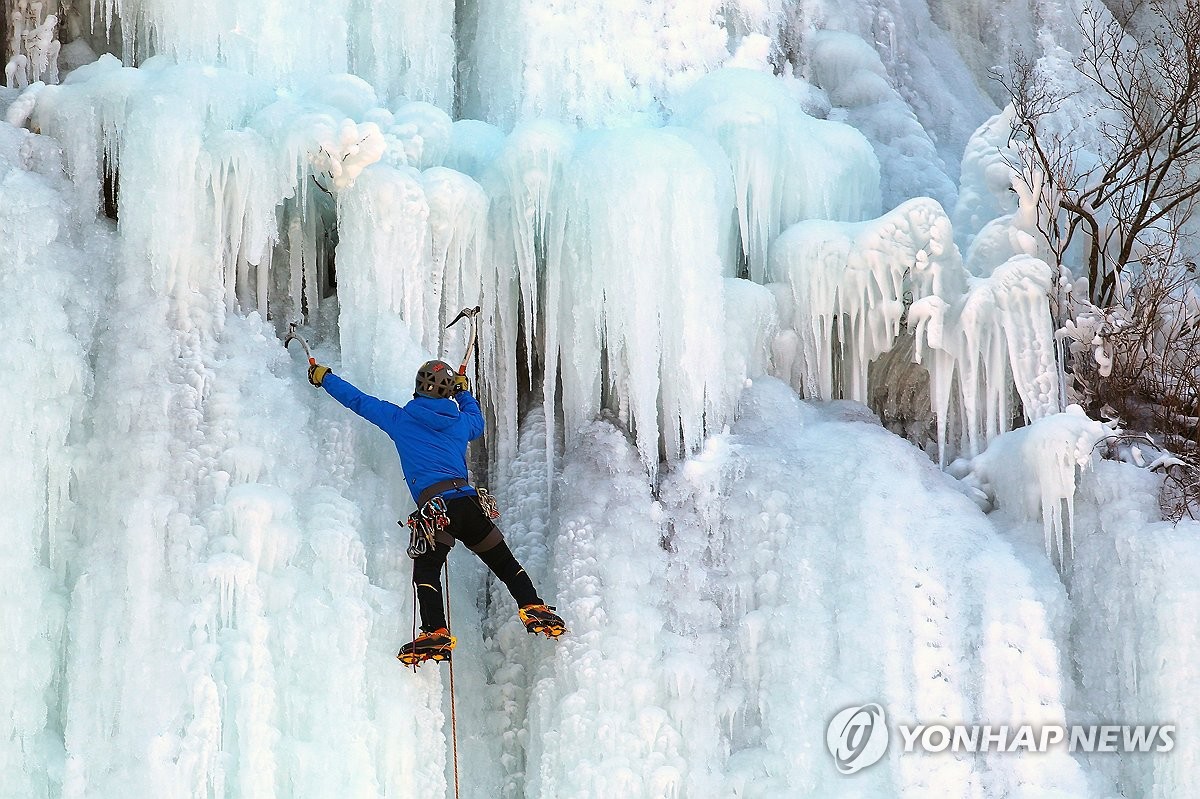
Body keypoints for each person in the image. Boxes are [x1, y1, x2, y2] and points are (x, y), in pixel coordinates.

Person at [307, 358, 564, 665]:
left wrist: (325, 377)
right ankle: (533, 607)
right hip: (468, 505)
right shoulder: (459, 423)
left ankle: (435, 631)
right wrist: (463, 392)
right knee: (504, 562)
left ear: (418, 387)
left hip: (436, 511)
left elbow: (358, 401)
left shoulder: (399, 419)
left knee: (427, 570)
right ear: (447, 393)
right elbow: (476, 421)